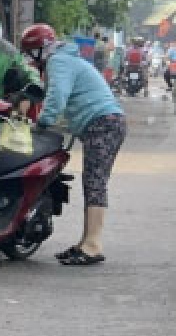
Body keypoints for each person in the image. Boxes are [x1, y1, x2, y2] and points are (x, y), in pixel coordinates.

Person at [21, 25, 126, 266]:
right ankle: (85, 242)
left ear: (40, 49)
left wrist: (42, 122)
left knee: (95, 183)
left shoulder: (58, 61)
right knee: (91, 182)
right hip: (104, 123)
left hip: (104, 123)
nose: (30, 59)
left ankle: (93, 245)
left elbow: (57, 97)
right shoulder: (63, 60)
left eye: (30, 53)